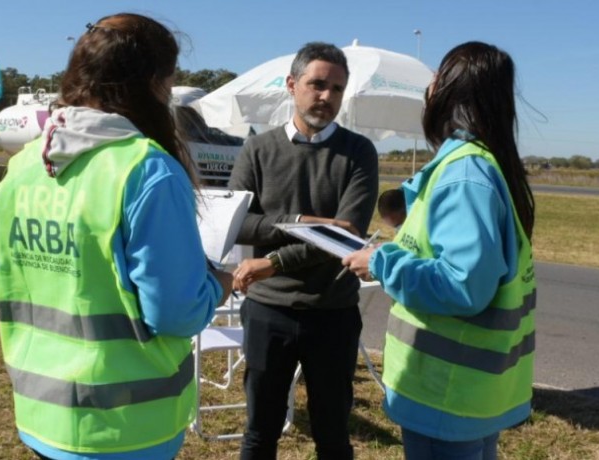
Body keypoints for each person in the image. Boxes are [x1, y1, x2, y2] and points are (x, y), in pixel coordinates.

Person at [0, 13, 232, 460]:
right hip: (128, 428)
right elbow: (176, 314)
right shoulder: (147, 170)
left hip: (42, 413)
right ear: (156, 83)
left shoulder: (22, 168)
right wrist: (218, 284)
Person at [343, 41, 537, 460]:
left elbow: (462, 286)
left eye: (437, 77)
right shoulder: (483, 163)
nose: (428, 87)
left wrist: (380, 262)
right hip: (470, 393)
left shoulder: (464, 174)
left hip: (445, 391)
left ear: (450, 92)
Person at [228, 42, 379, 460]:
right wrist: (301, 222)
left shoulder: (359, 152)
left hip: (332, 312)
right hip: (268, 311)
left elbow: (345, 236)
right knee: (260, 432)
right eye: (317, 84)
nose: (327, 96)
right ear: (292, 85)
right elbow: (237, 223)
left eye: (337, 89)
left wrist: (273, 261)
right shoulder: (258, 149)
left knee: (332, 434)